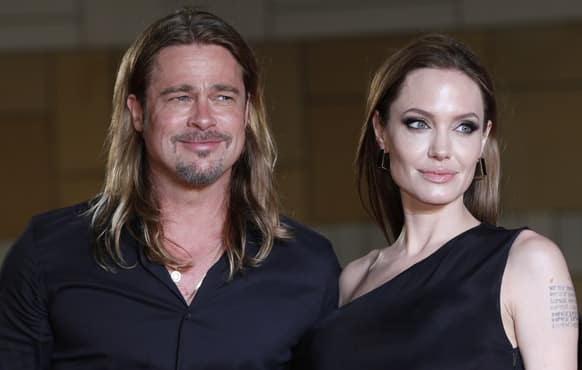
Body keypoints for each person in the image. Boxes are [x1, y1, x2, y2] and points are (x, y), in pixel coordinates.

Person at [0, 7, 340, 370]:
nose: (203, 118)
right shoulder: (47, 255)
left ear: (247, 112)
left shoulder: (309, 266)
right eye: (180, 97)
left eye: (223, 97)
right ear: (138, 112)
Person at [307, 34, 578, 369]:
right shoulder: (353, 279)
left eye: (464, 127)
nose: (441, 150)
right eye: (419, 123)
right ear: (382, 132)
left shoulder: (529, 262)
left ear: (483, 140)